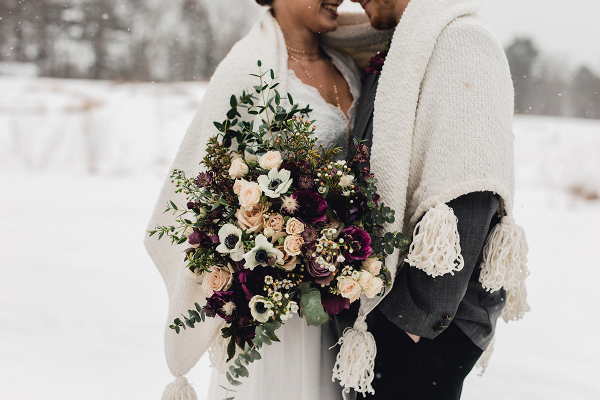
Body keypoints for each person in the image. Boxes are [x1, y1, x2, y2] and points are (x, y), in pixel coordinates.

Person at [144, 2, 387, 400]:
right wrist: (268, 240)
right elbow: (204, 187)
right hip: (270, 301)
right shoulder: (246, 71)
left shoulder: (348, 64)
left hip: (337, 294)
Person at [327, 0, 531, 399]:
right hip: (395, 316)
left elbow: (470, 188)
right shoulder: (409, 45)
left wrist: (408, 324)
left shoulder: (464, 43)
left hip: (423, 324)